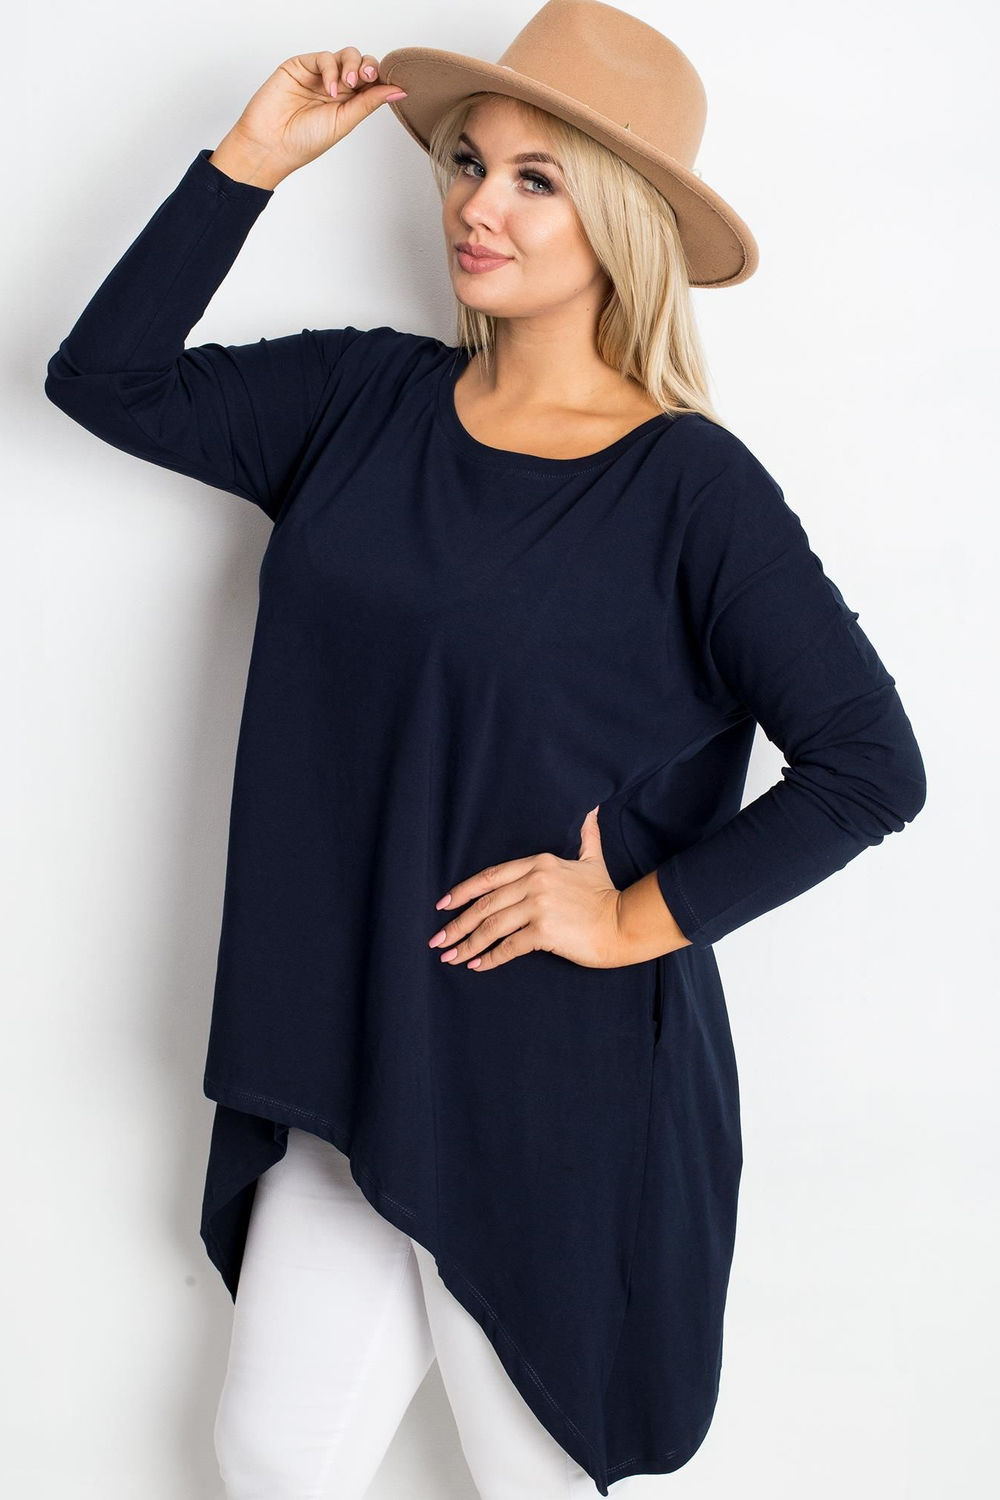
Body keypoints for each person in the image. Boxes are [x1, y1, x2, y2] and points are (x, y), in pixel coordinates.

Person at [43, 2, 928, 1497]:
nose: (477, 205)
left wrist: (634, 918)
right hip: (348, 1040)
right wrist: (249, 161)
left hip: (551, 1077)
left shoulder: (689, 488)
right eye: (468, 162)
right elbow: (105, 381)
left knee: (534, 1472)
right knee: (272, 1455)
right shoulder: (359, 402)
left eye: (536, 179)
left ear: (621, 219)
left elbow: (870, 764)